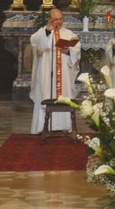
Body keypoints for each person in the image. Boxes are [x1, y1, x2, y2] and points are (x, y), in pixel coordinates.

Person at [28, 7, 81, 135]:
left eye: (61, 19)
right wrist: (47, 31)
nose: (59, 22)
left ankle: (63, 125)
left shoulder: (69, 34)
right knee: (45, 93)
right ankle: (43, 126)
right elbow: (37, 46)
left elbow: (77, 49)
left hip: (64, 73)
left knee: (64, 94)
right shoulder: (42, 32)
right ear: (50, 19)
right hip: (46, 71)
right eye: (56, 19)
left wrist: (69, 51)